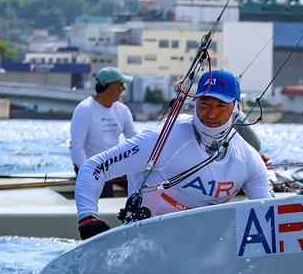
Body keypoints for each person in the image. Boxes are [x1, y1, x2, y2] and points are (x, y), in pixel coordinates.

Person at [75, 69, 272, 240]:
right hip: (146, 239)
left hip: (203, 245)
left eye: (221, 106)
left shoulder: (248, 159)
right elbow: (94, 167)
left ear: (236, 108)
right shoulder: (163, 139)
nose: (211, 114)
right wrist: (88, 218)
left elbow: (268, 213)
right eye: (204, 104)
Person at [70, 67, 137, 197]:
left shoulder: (123, 110)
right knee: (107, 194)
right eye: (121, 84)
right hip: (92, 167)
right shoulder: (84, 109)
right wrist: (89, 173)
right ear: (111, 86)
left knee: (144, 183)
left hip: (115, 166)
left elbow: (135, 139)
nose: (124, 89)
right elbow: (76, 148)